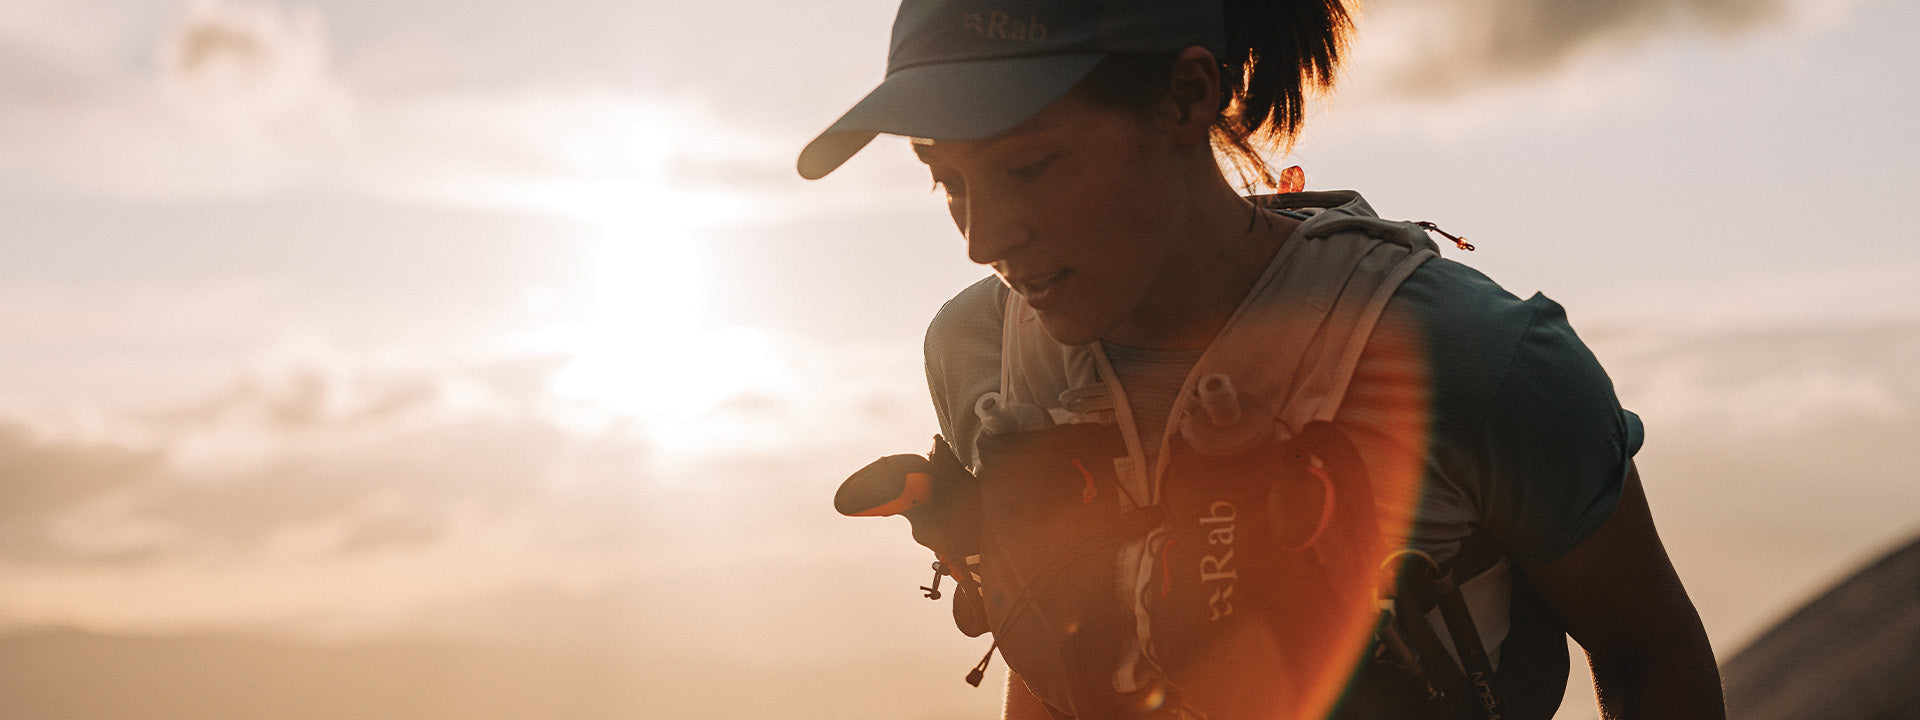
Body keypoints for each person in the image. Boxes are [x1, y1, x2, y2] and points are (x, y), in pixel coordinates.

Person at [799, 1, 1725, 718]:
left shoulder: (1470, 359)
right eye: (945, 179)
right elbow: (1062, 669)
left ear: (1187, 95)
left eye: (1029, 168)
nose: (982, 236)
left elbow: (1651, 654)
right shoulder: (976, 353)